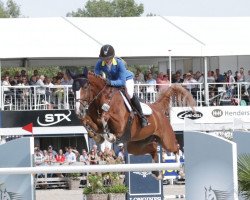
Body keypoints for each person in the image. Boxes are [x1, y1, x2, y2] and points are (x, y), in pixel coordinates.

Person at [94, 44, 148, 128]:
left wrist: (110, 82)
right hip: (111, 80)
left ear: (112, 57)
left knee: (129, 94)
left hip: (126, 79)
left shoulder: (119, 63)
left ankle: (142, 116)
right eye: (104, 58)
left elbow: (122, 82)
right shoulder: (99, 63)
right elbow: (95, 76)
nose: (106, 60)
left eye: (108, 58)